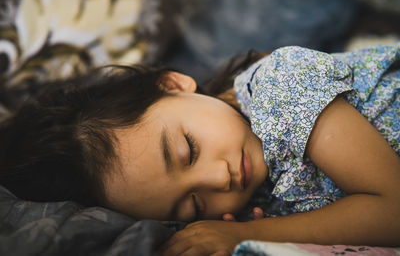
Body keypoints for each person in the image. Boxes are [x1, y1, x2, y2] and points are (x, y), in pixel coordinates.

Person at [1, 44, 400, 256]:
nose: (218, 179)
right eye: (191, 204)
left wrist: (250, 232)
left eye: (188, 150)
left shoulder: (279, 86)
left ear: (173, 84)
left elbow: (393, 208)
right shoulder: (249, 203)